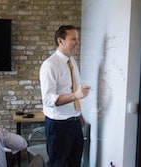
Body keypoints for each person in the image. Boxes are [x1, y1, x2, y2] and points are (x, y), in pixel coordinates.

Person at [39, 25, 90, 167]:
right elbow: (49, 100)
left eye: (78, 39)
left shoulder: (71, 61)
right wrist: (75, 95)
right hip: (58, 126)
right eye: (73, 39)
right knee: (59, 164)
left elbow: (72, 87)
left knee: (75, 163)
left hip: (74, 123)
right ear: (60, 41)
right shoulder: (50, 65)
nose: (78, 42)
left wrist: (79, 115)